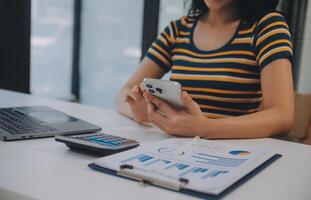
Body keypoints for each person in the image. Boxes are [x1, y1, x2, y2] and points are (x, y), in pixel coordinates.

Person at [116, 0, 294, 139]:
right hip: (177, 147)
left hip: (232, 151)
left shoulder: (267, 27)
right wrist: (141, 113)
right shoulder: (178, 30)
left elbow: (282, 116)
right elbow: (122, 94)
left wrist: (206, 128)